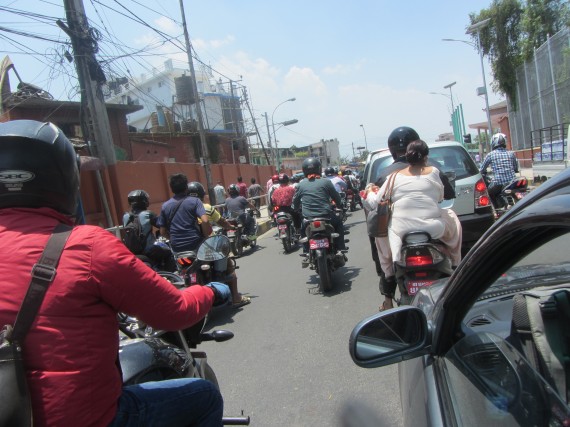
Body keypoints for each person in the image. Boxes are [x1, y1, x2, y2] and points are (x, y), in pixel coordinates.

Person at [0, 119, 231, 426]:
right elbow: (173, 312)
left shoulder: (134, 216)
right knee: (203, 396)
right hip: (87, 418)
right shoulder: (86, 244)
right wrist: (211, 290)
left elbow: (160, 230)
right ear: (64, 179)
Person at [370, 140, 462, 311]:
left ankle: (388, 277)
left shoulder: (393, 176)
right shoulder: (434, 172)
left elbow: (376, 201)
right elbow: (442, 197)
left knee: (381, 238)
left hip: (400, 232)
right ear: (426, 157)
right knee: (452, 217)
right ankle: (456, 263)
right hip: (433, 229)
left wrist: (369, 192)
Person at [188, 181, 251, 308]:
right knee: (229, 265)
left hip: (189, 248)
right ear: (201, 195)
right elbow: (221, 221)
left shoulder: (183, 209)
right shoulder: (206, 207)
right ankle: (236, 298)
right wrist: (230, 226)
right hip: (208, 246)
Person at [292, 157, 347, 265]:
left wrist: (296, 209)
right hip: (327, 217)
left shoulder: (301, 184)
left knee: (303, 230)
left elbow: (296, 202)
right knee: (339, 223)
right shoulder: (326, 182)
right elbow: (337, 198)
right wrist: (339, 205)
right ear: (319, 168)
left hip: (308, 219)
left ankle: (306, 252)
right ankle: (340, 249)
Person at [158, 173, 212, 253]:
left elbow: (162, 232)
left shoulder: (165, 206)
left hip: (176, 247)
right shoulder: (195, 201)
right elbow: (205, 221)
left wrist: (174, 240)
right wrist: (206, 236)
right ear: (186, 187)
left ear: (172, 189)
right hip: (195, 243)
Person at [122, 189, 174, 271]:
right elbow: (163, 225)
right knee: (169, 252)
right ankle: (172, 277)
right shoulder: (148, 214)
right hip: (149, 251)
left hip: (132, 252)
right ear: (143, 201)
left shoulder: (125, 216)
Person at [479, 132, 519, 209]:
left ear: (494, 142)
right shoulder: (511, 153)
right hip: (512, 182)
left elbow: (482, 169)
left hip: (498, 182)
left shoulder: (490, 155)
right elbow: (515, 168)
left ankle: (497, 209)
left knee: (489, 192)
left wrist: (483, 172)